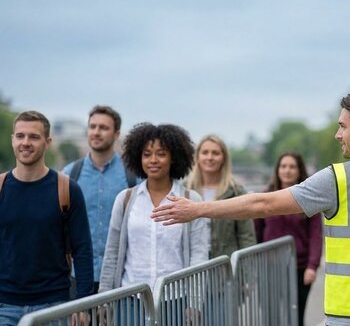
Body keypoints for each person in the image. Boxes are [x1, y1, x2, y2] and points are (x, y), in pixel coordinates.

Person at [152, 91, 350, 326]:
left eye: (343, 126)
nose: (338, 135)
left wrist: (199, 209)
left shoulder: (339, 178)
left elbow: (263, 203)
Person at [0, 111, 93, 325]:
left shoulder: (67, 189)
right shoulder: (1, 188)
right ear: (12, 139)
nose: (26, 142)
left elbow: (82, 250)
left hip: (54, 306)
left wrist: (83, 305)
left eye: (34, 137)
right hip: (4, 306)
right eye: (20, 136)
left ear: (47, 142)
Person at [99, 123, 209, 293]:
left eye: (161, 154)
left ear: (173, 158)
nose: (153, 160)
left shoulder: (190, 200)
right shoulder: (125, 200)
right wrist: (104, 298)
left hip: (176, 299)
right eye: (147, 154)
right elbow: (112, 253)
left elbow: (199, 254)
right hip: (130, 299)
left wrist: (194, 303)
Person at [62, 105, 136, 293]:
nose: (96, 132)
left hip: (121, 276)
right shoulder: (70, 174)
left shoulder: (132, 175)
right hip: (77, 276)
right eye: (92, 126)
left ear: (117, 133)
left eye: (103, 128)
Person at [254, 152, 322, 326]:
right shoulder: (265, 197)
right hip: (269, 268)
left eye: (292, 166)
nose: (287, 170)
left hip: (299, 268)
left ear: (299, 170)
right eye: (283, 166)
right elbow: (257, 233)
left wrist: (312, 266)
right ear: (277, 170)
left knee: (296, 317)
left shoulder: (309, 198)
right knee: (270, 317)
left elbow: (316, 235)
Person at [186, 135, 256, 258]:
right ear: (197, 157)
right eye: (205, 153)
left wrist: (247, 271)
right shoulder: (185, 189)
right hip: (192, 265)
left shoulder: (235, 190)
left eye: (215, 153)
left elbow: (246, 235)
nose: (210, 157)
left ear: (224, 158)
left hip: (225, 265)